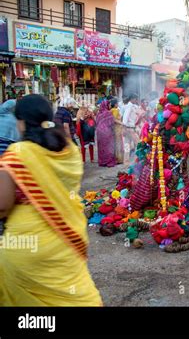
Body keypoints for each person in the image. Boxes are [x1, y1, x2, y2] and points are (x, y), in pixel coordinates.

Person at [0, 94, 102, 306]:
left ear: (21, 121)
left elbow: (2, 205)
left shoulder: (18, 153)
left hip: (24, 247)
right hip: (65, 242)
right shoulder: (69, 152)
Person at [96, 100, 117, 168]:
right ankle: (108, 161)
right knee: (108, 147)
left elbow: (96, 122)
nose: (110, 106)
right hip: (107, 132)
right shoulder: (108, 113)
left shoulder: (99, 113)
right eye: (109, 105)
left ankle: (102, 161)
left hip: (99, 132)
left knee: (101, 147)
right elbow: (111, 123)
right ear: (106, 105)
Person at [122, 94, 140, 163]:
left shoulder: (132, 106)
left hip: (129, 127)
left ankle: (126, 161)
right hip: (130, 128)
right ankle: (137, 160)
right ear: (132, 99)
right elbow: (125, 118)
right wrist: (123, 128)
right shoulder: (129, 106)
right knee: (138, 144)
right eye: (135, 99)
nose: (136, 100)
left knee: (127, 145)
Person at [110, 98, 124, 164]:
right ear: (115, 104)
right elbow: (114, 119)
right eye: (117, 103)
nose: (118, 104)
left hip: (115, 128)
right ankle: (119, 159)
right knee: (118, 143)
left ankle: (117, 158)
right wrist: (122, 123)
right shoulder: (115, 110)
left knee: (116, 143)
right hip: (117, 128)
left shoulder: (111, 110)